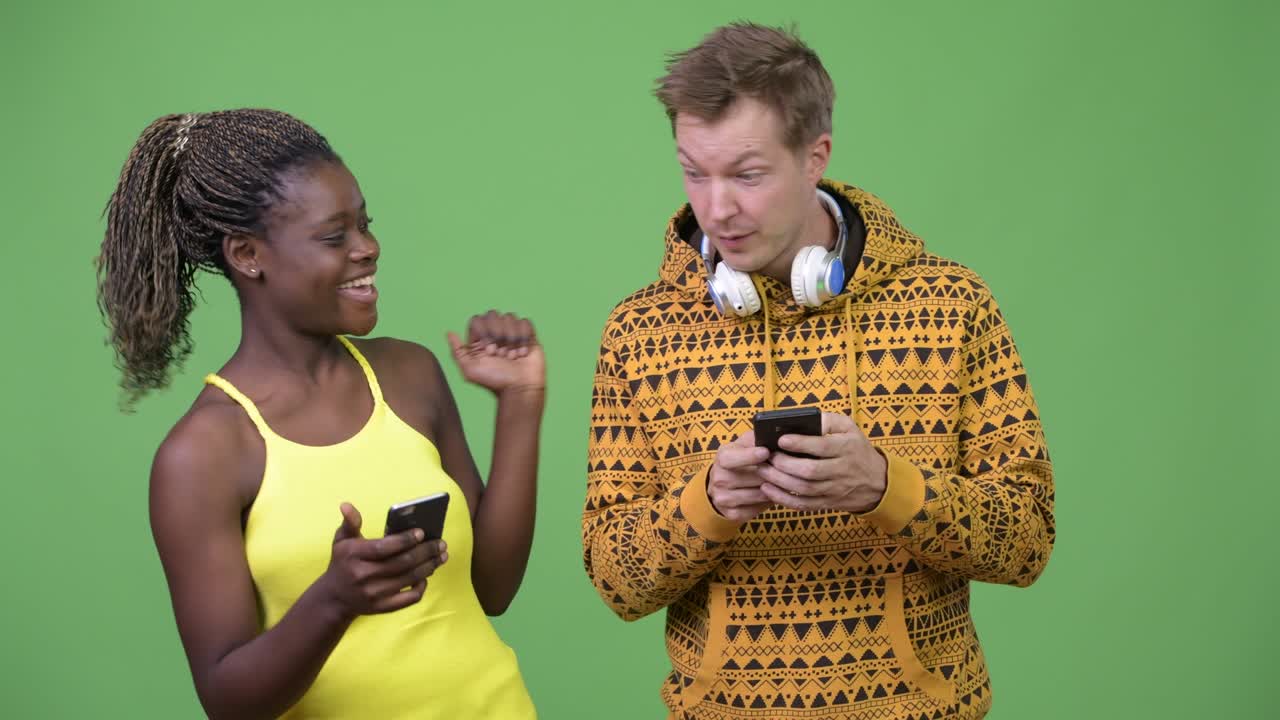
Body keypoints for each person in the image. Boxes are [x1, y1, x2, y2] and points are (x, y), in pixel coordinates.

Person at [582, 23, 1054, 720]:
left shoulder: (951, 306)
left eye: (747, 175)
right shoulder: (638, 333)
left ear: (815, 157)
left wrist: (886, 487)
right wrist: (707, 504)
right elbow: (616, 580)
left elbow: (1027, 542)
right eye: (694, 171)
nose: (716, 208)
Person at [96, 109, 543, 719]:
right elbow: (228, 701)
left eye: (365, 225)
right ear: (248, 254)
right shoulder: (204, 452)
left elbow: (493, 589)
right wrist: (333, 600)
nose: (368, 248)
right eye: (335, 237)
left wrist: (520, 403)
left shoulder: (410, 375)